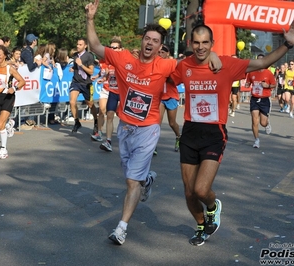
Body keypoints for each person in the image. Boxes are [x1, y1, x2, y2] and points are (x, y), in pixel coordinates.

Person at [85, 0, 221, 245]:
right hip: (125, 129)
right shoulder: (124, 59)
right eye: (147, 38)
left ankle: (122, 227)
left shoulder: (167, 65)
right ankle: (147, 180)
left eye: (155, 41)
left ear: (160, 47)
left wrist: (213, 56)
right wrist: (90, 18)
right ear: (142, 40)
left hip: (148, 130)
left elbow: (192, 63)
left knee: (130, 181)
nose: (150, 43)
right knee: (133, 176)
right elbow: (95, 45)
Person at [170, 21, 294, 246]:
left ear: (212, 43)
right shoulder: (184, 66)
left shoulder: (228, 65)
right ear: (190, 43)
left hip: (214, 132)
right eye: (197, 43)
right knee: (189, 192)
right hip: (191, 131)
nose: (201, 47)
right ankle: (202, 225)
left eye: (205, 43)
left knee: (201, 189)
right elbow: (164, 80)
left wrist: (287, 45)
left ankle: (213, 206)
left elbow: (263, 61)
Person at [0, 45, 25, 159]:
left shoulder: (9, 68)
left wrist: (14, 88)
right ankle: (9, 124)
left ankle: (3, 149)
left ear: (5, 55)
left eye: (0, 55)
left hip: (8, 97)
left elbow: (22, 81)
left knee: (0, 124)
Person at [245, 53, 276, 148]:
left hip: (264, 99)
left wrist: (268, 86)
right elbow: (248, 82)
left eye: (262, 60)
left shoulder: (268, 73)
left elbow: (274, 85)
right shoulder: (252, 72)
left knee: (263, 123)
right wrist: (247, 85)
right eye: (258, 60)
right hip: (254, 98)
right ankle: (256, 140)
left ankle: (267, 124)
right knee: (254, 120)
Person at [69, 37, 97, 133]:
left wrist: (81, 65)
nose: (78, 46)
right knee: (72, 102)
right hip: (76, 82)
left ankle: (96, 121)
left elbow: (91, 71)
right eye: (77, 44)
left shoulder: (89, 56)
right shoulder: (75, 55)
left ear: (85, 46)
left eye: (80, 44)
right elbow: (76, 65)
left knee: (90, 104)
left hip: (86, 83)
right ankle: (77, 122)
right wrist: (74, 68)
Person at [98, 38, 123, 151]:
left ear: (120, 49)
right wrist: (103, 78)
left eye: (115, 48)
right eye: (111, 48)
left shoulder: (125, 61)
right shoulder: (109, 61)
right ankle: (108, 141)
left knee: (124, 118)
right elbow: (108, 75)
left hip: (123, 93)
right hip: (112, 91)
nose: (112, 49)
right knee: (109, 116)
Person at [158, 44, 181, 152]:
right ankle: (153, 145)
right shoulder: (156, 64)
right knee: (157, 122)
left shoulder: (172, 65)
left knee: (172, 123)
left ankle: (178, 136)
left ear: (168, 54)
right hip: (160, 97)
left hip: (171, 96)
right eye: (159, 52)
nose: (160, 54)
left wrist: (165, 75)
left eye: (163, 52)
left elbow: (173, 80)